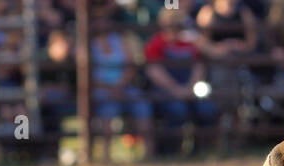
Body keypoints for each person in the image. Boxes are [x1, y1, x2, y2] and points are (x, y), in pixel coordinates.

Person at [144, 2, 217, 134]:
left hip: (189, 88)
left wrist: (189, 87)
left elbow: (199, 65)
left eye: (178, 25)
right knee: (177, 110)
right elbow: (153, 71)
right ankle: (171, 148)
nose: (174, 29)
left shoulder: (190, 42)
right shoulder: (156, 43)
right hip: (166, 91)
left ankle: (202, 147)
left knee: (206, 108)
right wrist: (175, 89)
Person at [90, 5, 153, 154]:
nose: (103, 23)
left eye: (106, 19)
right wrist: (109, 88)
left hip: (123, 87)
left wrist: (119, 86)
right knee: (107, 107)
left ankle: (149, 152)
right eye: (99, 20)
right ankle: (105, 154)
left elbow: (131, 67)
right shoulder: (88, 44)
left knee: (141, 104)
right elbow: (87, 75)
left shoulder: (119, 40)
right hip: (101, 89)